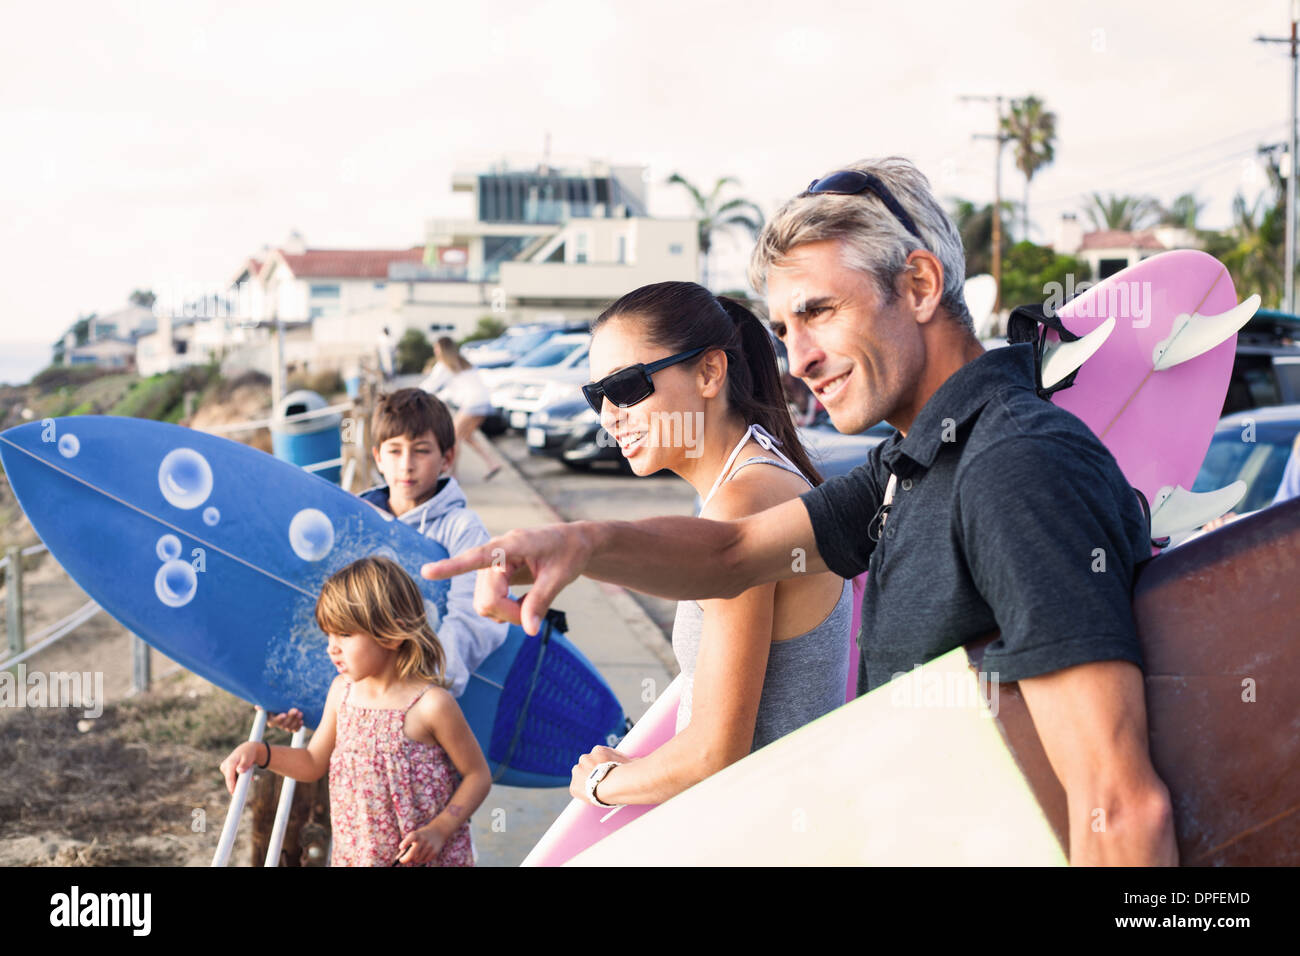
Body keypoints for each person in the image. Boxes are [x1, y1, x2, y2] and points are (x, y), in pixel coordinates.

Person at [424, 158, 1178, 866]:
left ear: (917, 285)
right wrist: (581, 543)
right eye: (784, 328)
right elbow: (730, 555)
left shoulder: (1013, 465)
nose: (798, 357)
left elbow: (1119, 807)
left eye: (818, 312)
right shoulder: (915, 461)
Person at [567, 281, 850, 809]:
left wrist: (599, 786)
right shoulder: (755, 480)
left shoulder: (745, 501)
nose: (608, 414)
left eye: (627, 387)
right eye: (595, 395)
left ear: (709, 372)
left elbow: (716, 753)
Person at [220, 556, 491, 866]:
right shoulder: (342, 693)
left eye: (345, 635)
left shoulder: (431, 705)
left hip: (429, 858)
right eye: (329, 635)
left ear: (391, 634)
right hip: (359, 857)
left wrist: (440, 830)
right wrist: (259, 752)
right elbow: (312, 762)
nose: (331, 648)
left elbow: (477, 775)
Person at [269, 389, 509, 735]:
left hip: (426, 712)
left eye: (421, 451)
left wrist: (420, 688)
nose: (406, 464)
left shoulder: (463, 529)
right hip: (358, 708)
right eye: (394, 451)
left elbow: (474, 619)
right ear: (378, 457)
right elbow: (332, 618)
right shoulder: (356, 523)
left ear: (447, 457)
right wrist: (307, 701)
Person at [421, 337, 503, 480]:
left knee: (453, 437)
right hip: (484, 402)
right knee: (467, 436)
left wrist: (411, 394)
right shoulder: (464, 362)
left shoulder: (444, 365)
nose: (435, 351)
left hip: (472, 404)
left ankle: (452, 474)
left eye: (437, 348)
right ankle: (492, 463)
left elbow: (429, 386)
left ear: (443, 349)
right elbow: (452, 389)